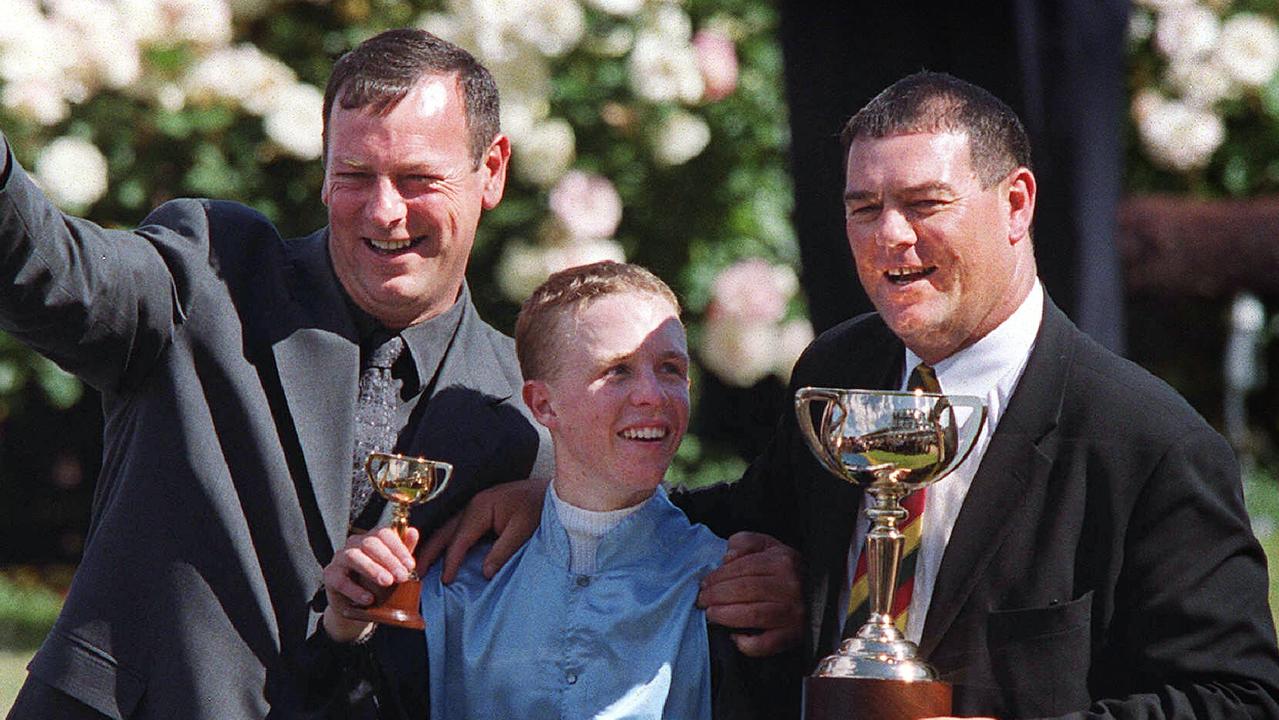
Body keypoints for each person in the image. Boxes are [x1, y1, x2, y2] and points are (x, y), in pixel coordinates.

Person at [438, 71, 1279, 719]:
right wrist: (555, 503)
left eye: (924, 203)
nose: (890, 238)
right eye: (862, 207)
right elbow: (751, 511)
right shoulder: (838, 368)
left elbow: (1236, 701)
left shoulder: (1146, 443)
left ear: (1014, 203)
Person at [1, 29, 554, 720]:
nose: (384, 211)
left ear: (492, 170)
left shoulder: (526, 419)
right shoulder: (212, 274)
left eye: (418, 179)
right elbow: (51, 272)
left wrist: (558, 506)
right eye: (354, 175)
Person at [323, 260, 791, 718]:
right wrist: (344, 629)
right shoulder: (455, 591)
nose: (653, 394)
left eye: (670, 368)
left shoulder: (733, 590)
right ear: (542, 404)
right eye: (617, 370)